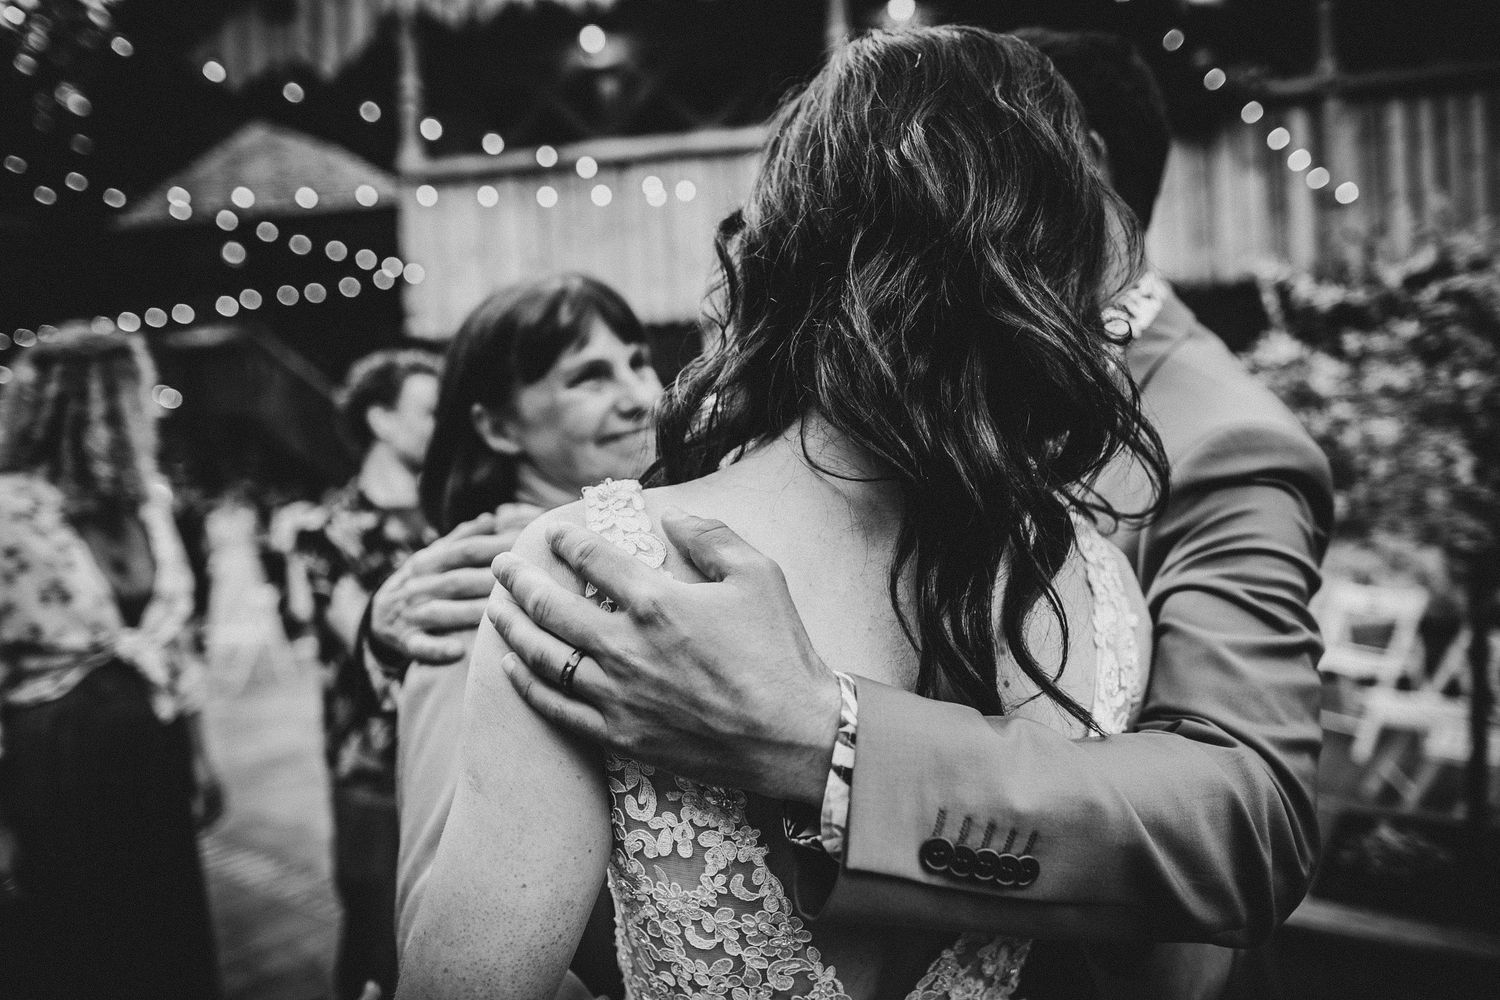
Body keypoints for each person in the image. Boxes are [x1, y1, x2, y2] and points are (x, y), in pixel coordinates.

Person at [487, 27, 1334, 1000]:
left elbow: (1252, 820)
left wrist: (826, 742)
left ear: (1074, 174)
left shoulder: (1226, 435)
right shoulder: (860, 437)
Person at [372, 275, 661, 995]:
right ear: (500, 429)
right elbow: (440, 925)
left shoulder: (625, 553)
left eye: (638, 360)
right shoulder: (483, 593)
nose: (640, 396)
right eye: (589, 377)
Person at [0, 324, 224, 1000]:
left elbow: (174, 643)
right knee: (82, 947)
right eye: (135, 393)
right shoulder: (10, 512)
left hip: (150, 748)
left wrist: (200, 754)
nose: (149, 409)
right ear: (93, 406)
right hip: (55, 757)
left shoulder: (149, 501)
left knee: (168, 934)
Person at [290, 348, 441, 1000]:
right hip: (375, 773)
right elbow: (367, 646)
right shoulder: (330, 530)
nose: (447, 425)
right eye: (431, 411)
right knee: (377, 941)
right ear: (381, 419)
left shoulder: (454, 512)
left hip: (453, 762)